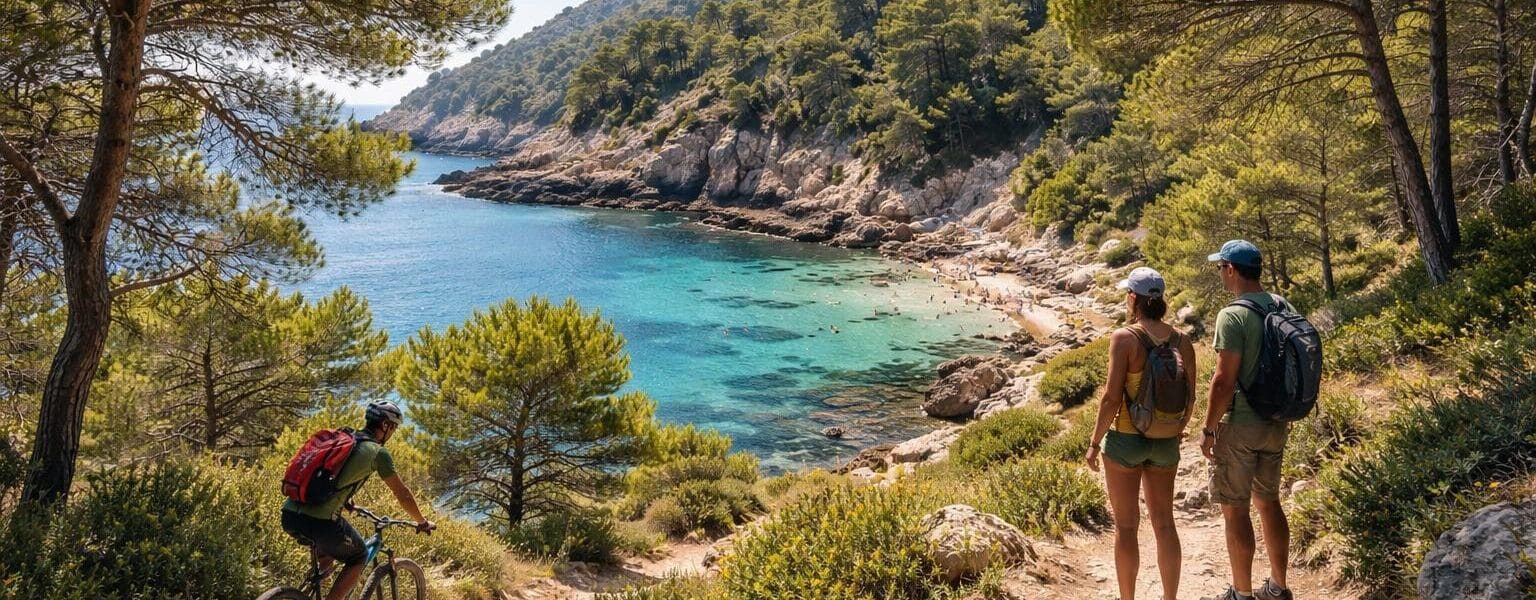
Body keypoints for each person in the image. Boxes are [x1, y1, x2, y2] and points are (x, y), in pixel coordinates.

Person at [1087, 267, 1196, 600]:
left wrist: (1094, 443)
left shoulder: (1125, 338)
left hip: (1125, 441)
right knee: (1165, 524)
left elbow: (1111, 398)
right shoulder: (1182, 340)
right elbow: (1190, 397)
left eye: (1126, 295)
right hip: (1164, 443)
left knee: (1126, 527)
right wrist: (1175, 431)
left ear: (1132, 298)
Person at [1200, 240, 1294, 600]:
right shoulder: (1283, 305)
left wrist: (1209, 429)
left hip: (1241, 423)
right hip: (1277, 421)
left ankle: (1241, 593)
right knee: (1269, 502)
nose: (1220, 274)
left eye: (1220, 267)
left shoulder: (1233, 315)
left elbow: (1223, 380)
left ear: (1232, 269)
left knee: (1235, 509)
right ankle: (1278, 587)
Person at [280, 400, 436, 600]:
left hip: (290, 515)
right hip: (320, 523)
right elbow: (403, 494)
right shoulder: (378, 453)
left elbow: (328, 477)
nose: (393, 433)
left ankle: (306, 593)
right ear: (385, 426)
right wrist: (421, 522)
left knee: (327, 555)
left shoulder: (346, 438)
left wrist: (345, 500)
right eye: (394, 428)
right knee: (358, 556)